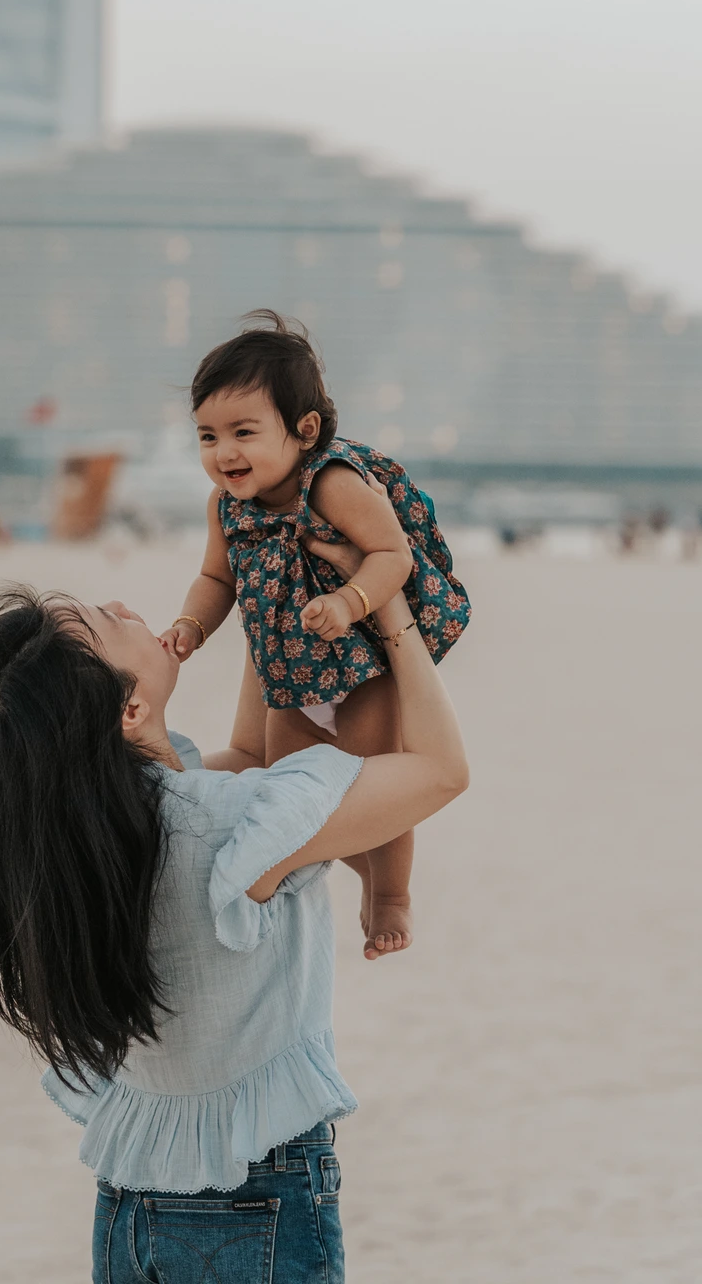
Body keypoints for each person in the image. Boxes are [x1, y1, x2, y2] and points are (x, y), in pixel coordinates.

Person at [0, 538, 468, 1281]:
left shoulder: (86, 840)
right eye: (108, 619)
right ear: (129, 710)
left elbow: (249, 758)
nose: (127, 607)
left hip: (131, 1208)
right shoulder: (225, 824)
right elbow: (441, 772)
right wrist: (392, 609)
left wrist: (264, 591)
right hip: (253, 1193)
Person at [160, 313, 470, 961]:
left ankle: (388, 894)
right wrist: (190, 625)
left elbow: (392, 556)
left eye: (243, 433)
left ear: (303, 431)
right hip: (286, 670)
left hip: (359, 664)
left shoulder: (332, 484)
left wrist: (348, 599)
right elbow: (215, 579)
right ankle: (336, 866)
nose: (223, 453)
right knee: (290, 782)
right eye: (207, 436)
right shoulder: (227, 506)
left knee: (363, 783)